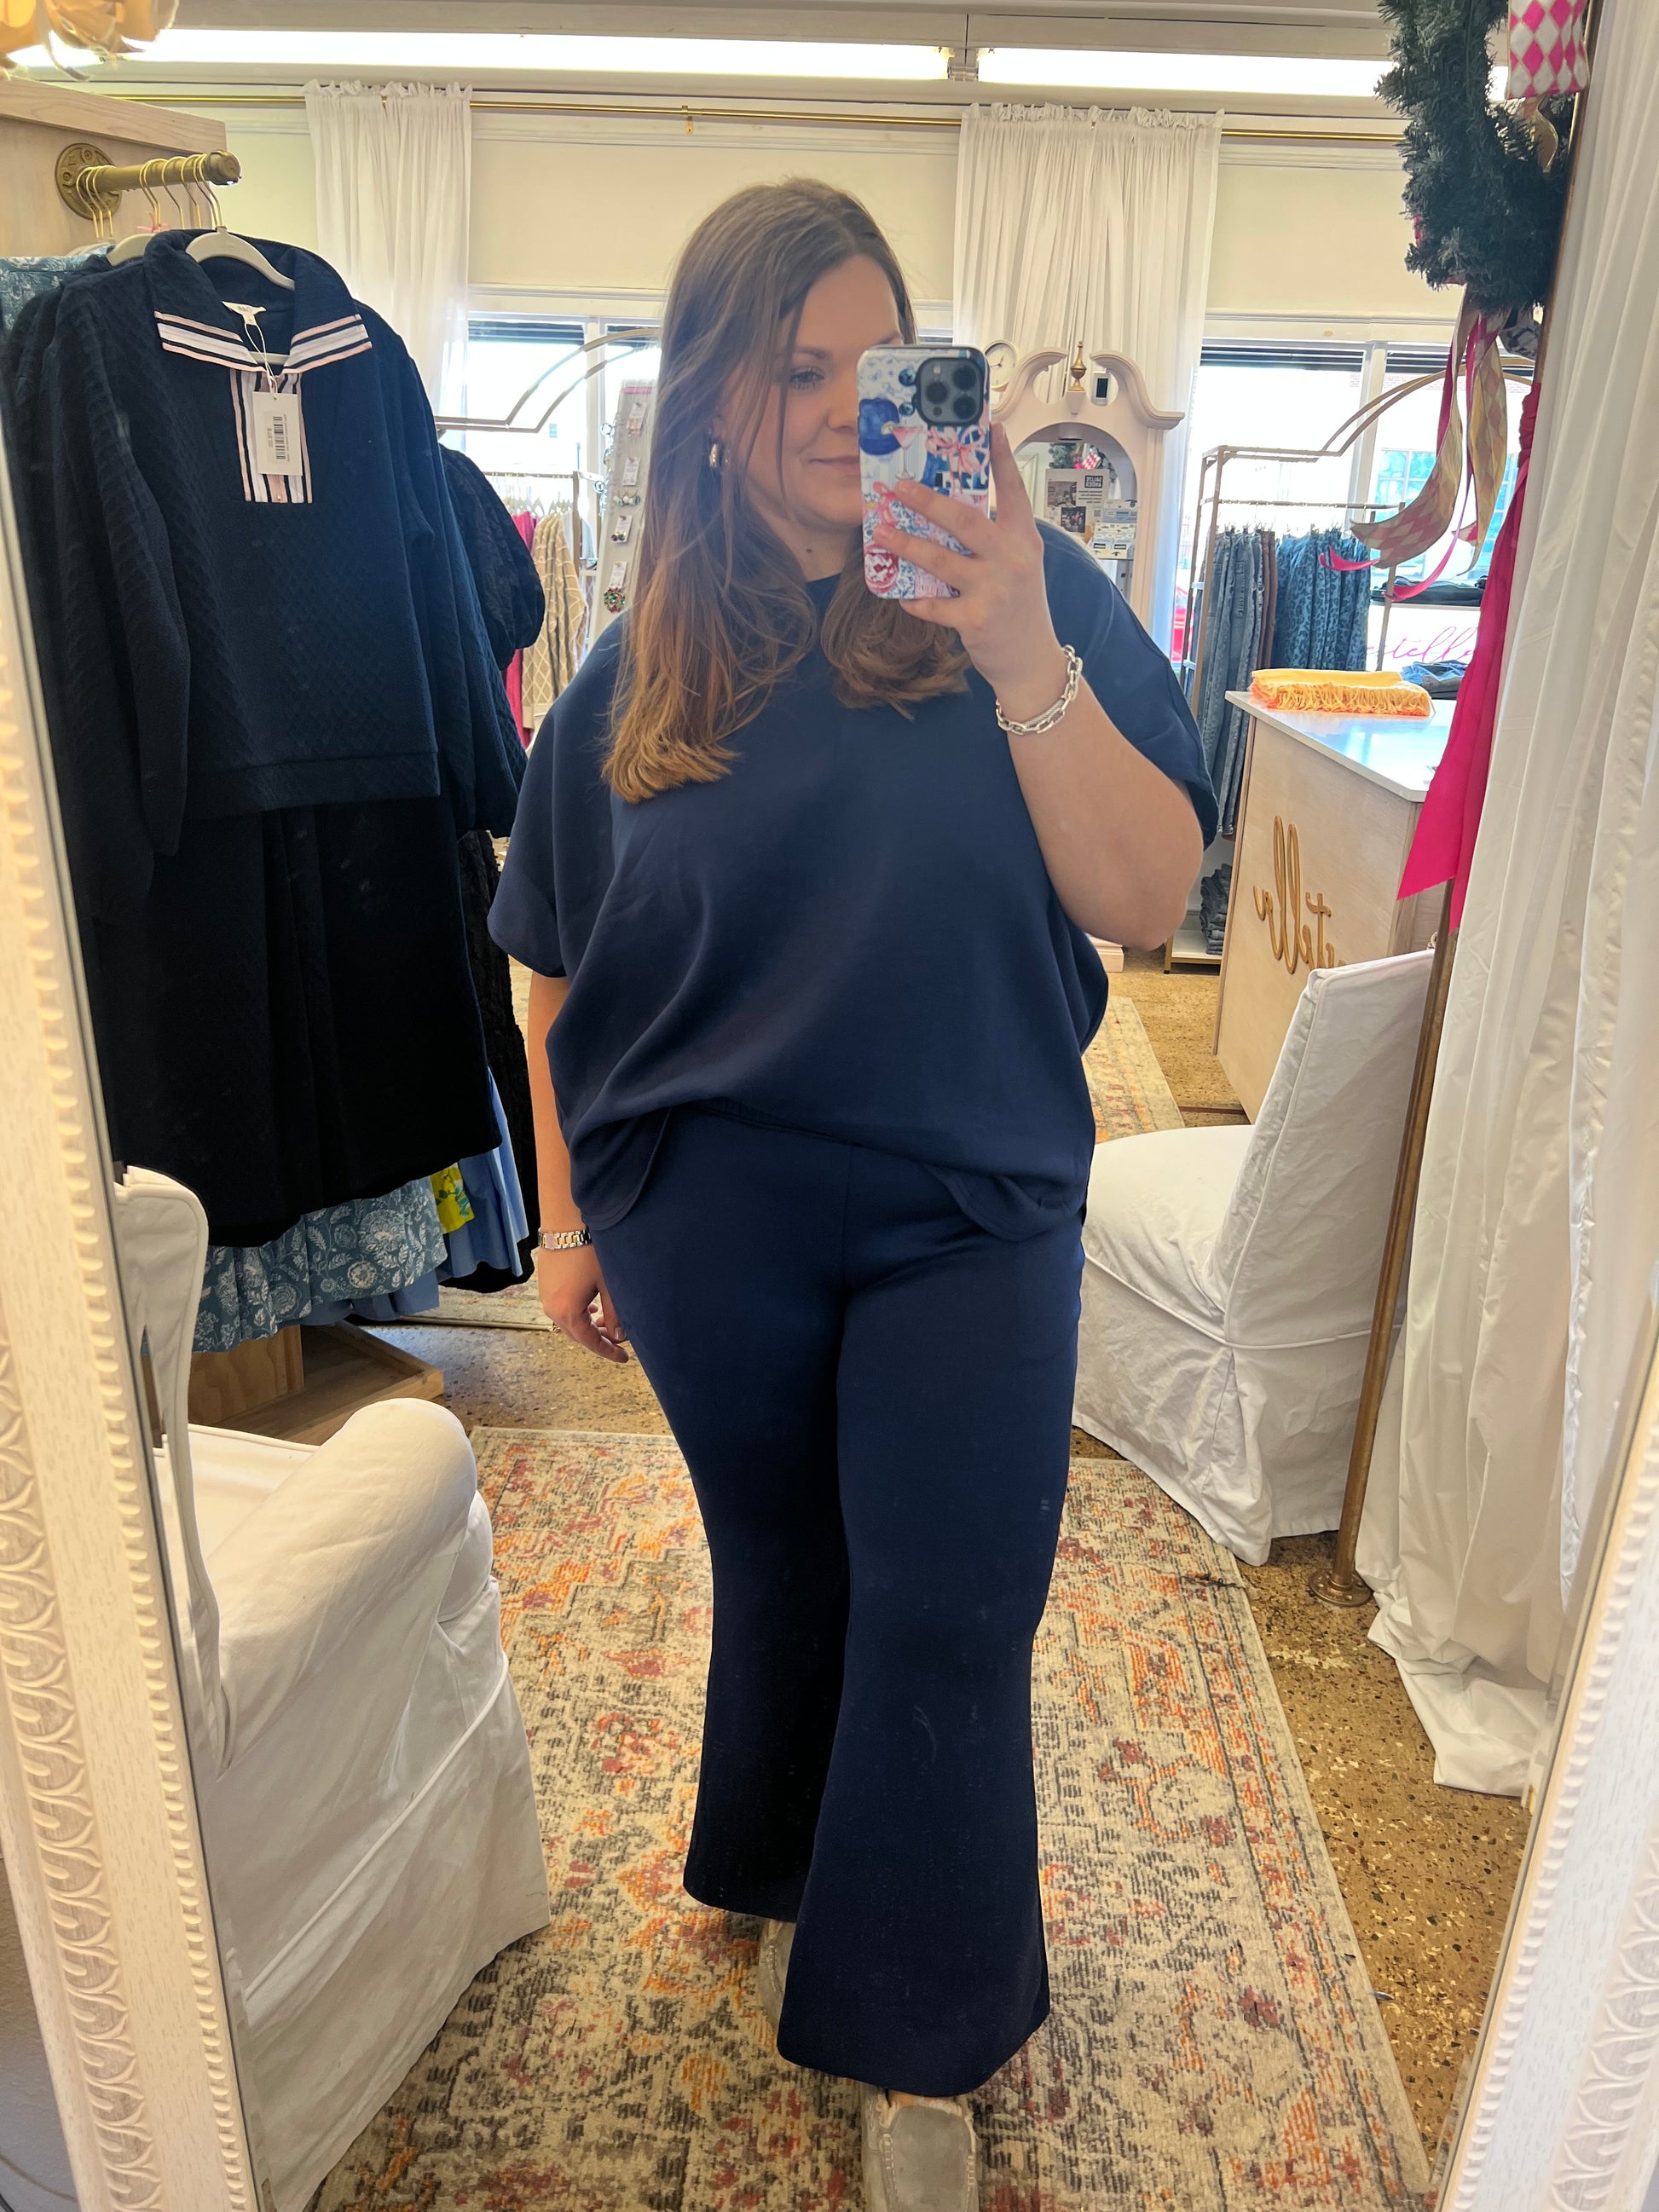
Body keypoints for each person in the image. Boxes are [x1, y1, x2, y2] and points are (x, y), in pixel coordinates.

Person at [489, 178, 1217, 2212]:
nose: (835, 406)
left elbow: (1146, 897)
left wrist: (1014, 640)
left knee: (950, 1602)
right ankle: (781, 1852)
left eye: (875, 363)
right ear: (709, 401)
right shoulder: (640, 665)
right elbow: (551, 962)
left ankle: (921, 2030)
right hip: (704, 1207)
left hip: (970, 1199)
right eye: (788, 367)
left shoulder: (1034, 600)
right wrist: (568, 1217)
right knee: (793, 1557)